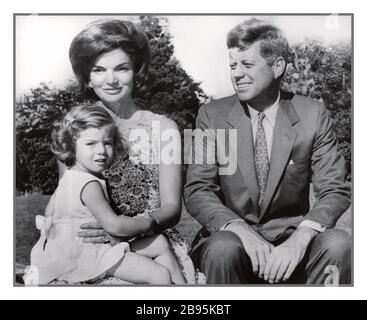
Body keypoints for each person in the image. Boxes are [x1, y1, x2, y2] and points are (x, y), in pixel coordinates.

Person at [184, 18, 351, 285]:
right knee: (223, 247)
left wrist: (301, 238)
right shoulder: (211, 115)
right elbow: (198, 190)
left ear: (278, 67)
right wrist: (240, 230)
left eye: (247, 64)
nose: (236, 73)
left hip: (291, 239)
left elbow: (334, 189)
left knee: (338, 243)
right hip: (233, 242)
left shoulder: (312, 114)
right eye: (232, 65)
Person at [66, 19, 197, 283]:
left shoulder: (165, 128)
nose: (111, 80)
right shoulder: (75, 129)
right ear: (87, 78)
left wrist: (132, 228)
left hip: (155, 242)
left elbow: (172, 207)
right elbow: (71, 201)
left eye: (121, 68)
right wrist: (107, 232)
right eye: (99, 70)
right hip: (97, 248)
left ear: (136, 71)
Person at [28, 105, 185, 285]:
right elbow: (114, 226)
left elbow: (50, 212)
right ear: (71, 146)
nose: (101, 150)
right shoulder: (88, 184)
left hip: (79, 252)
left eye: (107, 142)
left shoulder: (70, 178)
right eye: (91, 144)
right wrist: (147, 222)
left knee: (158, 243)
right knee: (159, 275)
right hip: (85, 258)